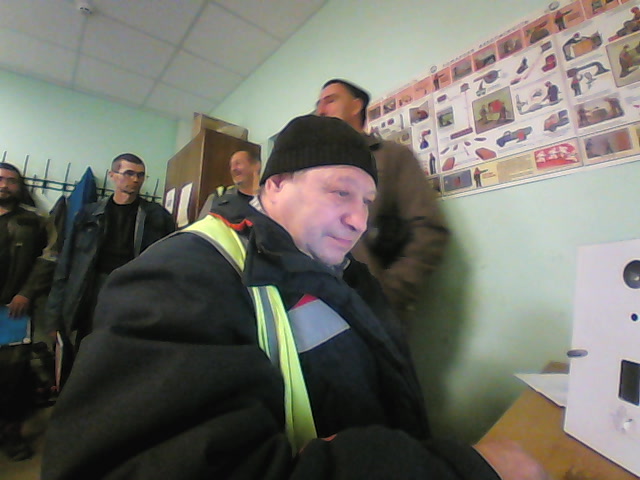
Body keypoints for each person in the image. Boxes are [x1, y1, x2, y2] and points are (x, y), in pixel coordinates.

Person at [41, 115, 548, 480]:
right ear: (277, 185)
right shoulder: (182, 274)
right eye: (341, 192)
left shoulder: (346, 273)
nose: (360, 220)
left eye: (367, 201)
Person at [316, 79, 449, 324]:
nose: (320, 111)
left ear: (356, 106)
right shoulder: (316, 171)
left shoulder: (393, 157)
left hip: (373, 314)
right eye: (318, 105)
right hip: (317, 308)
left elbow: (429, 230)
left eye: (330, 100)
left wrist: (386, 296)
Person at [44, 153, 175, 349]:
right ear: (112, 175)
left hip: (135, 294)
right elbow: (65, 266)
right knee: (87, 349)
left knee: (125, 350)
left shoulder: (157, 216)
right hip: (92, 292)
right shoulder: (88, 215)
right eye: (129, 173)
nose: (135, 179)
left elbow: (170, 266)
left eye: (140, 175)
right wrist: (54, 318)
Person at [0, 163, 56, 461]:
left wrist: (27, 292)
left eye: (11, 181)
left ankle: (11, 433)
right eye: (0, 179)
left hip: (12, 312)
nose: (4, 185)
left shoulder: (36, 221)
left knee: (12, 377)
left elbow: (50, 256)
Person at [197, 150, 261, 219]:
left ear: (256, 166)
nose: (233, 169)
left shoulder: (267, 197)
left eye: (238, 163)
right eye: (231, 166)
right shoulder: (219, 196)